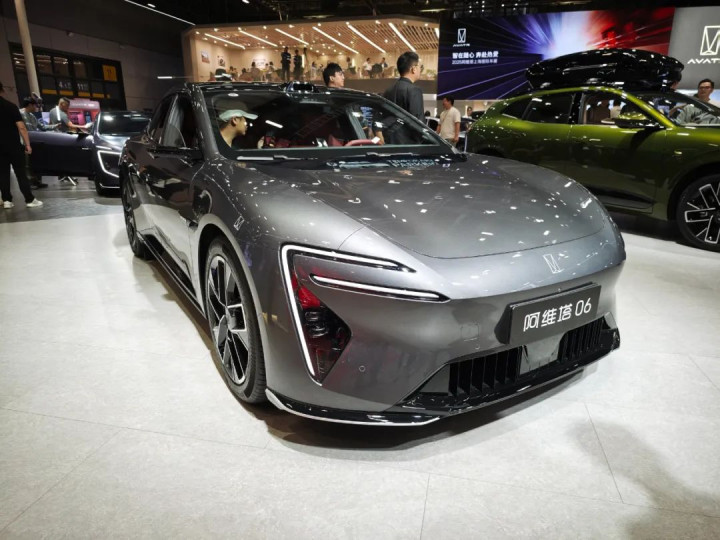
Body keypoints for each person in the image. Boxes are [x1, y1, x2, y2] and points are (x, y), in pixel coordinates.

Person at [0, 82, 42, 209]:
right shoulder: (11, 106)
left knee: (3, 174)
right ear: (2, 90)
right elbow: (21, 127)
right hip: (13, 146)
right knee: (21, 173)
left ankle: (7, 200)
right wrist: (28, 144)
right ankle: (29, 199)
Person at [382, 51, 424, 121]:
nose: (420, 70)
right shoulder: (415, 90)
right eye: (420, 67)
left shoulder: (388, 91)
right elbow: (418, 121)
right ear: (413, 69)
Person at [19, 97, 47, 189]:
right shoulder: (19, 114)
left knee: (34, 162)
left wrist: (55, 126)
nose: (36, 107)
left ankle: (36, 181)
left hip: (33, 142)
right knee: (27, 164)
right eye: (35, 105)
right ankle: (29, 183)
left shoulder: (32, 116)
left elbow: (42, 127)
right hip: (23, 142)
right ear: (30, 105)